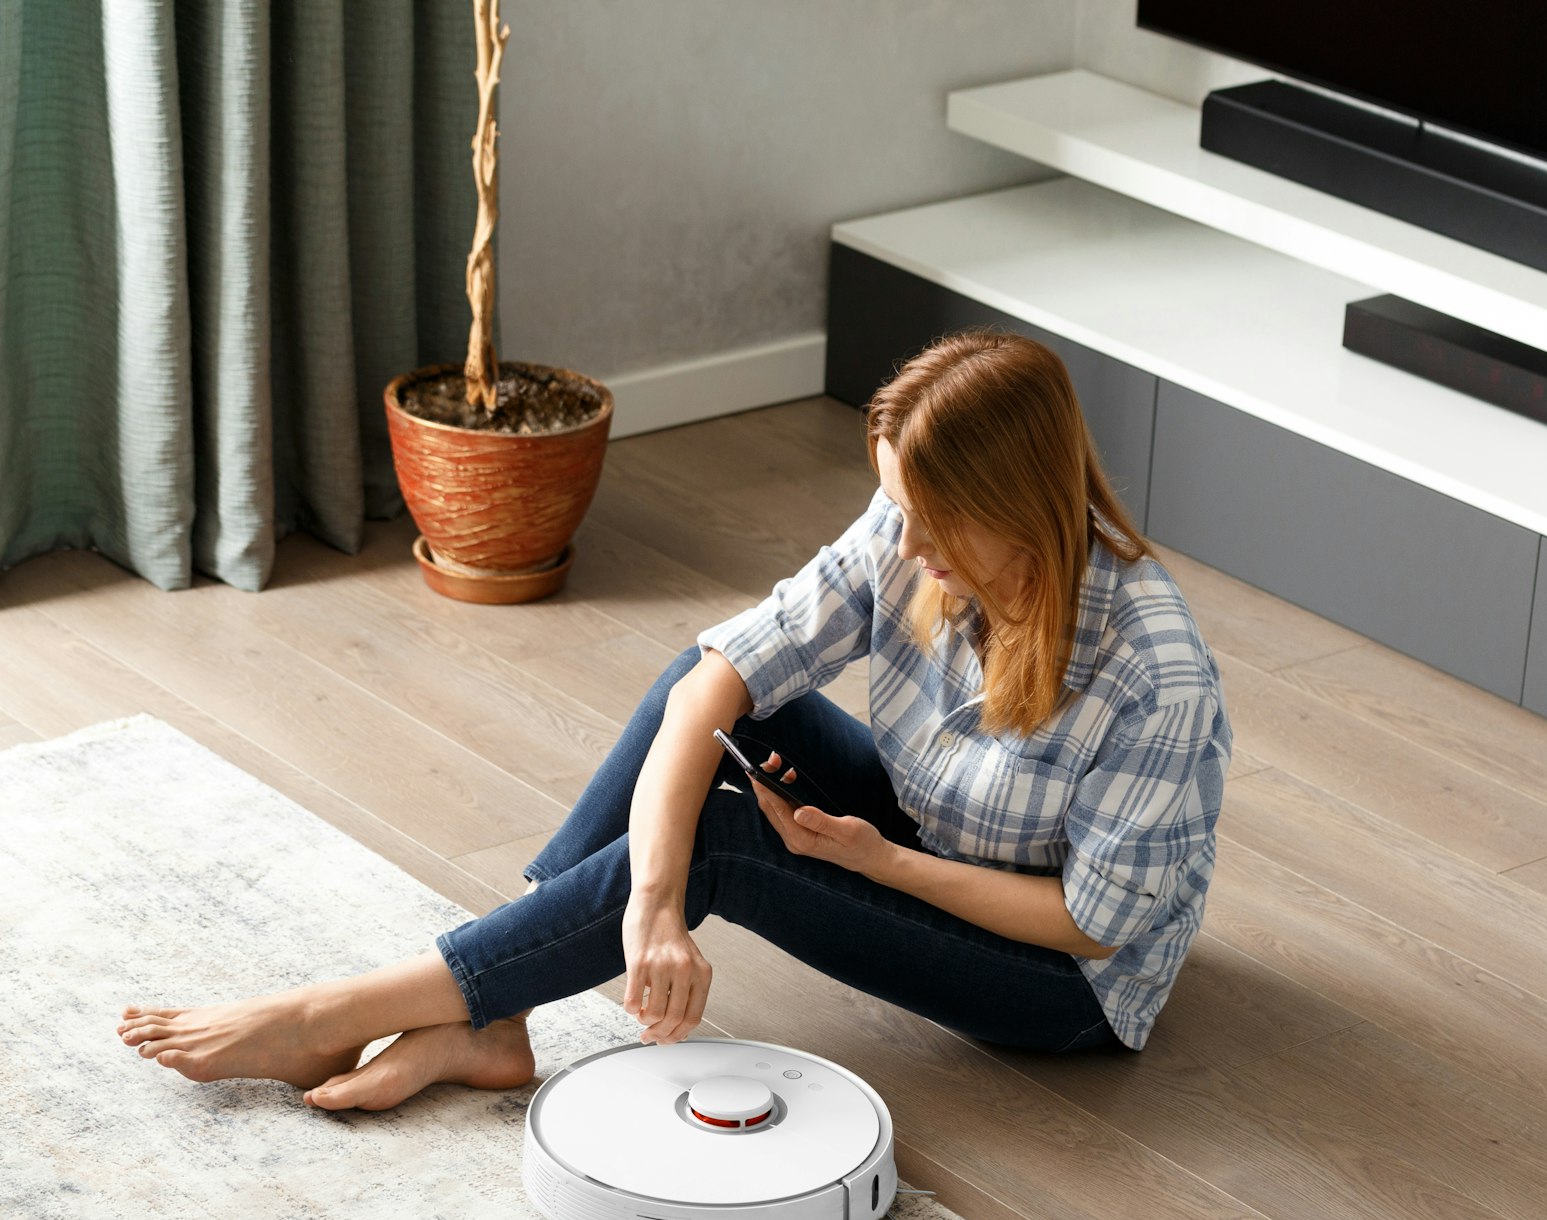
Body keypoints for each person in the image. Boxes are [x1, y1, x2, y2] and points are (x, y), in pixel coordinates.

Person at [114, 330, 1233, 1110]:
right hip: (944, 832)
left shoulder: (1152, 672)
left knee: (732, 835)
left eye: (928, 519)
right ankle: (490, 1012)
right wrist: (649, 904)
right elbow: (715, 677)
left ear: (1012, 505)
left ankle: (335, 1010)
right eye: (893, 507)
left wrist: (883, 864)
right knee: (701, 689)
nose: (901, 550)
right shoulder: (918, 529)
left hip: (1060, 977)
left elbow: (1091, 924)